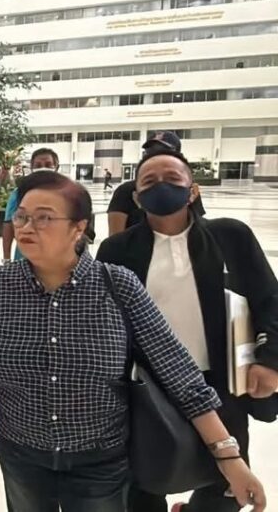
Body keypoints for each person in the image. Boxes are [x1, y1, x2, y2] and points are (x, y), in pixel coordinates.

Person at [0, 171, 267, 512]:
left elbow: (179, 372)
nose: (26, 227)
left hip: (101, 462)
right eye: (22, 216)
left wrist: (229, 456)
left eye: (44, 218)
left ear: (78, 227)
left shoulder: (117, 286)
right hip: (21, 457)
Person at [97, 150, 278, 512]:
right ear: (137, 198)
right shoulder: (117, 250)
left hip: (220, 381)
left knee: (226, 484)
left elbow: (269, 299)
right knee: (143, 481)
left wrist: (270, 359)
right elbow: (102, 321)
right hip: (147, 388)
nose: (161, 186)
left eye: (173, 179)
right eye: (149, 181)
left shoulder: (230, 236)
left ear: (193, 191)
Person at [108, 131, 206, 236]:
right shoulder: (126, 191)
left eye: (164, 152)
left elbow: (197, 229)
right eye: (151, 151)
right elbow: (115, 236)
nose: (156, 156)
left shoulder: (185, 189)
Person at [2, 148, 60, 262]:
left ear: (56, 167)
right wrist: (6, 259)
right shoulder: (19, 194)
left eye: (48, 165)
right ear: (32, 168)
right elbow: (8, 225)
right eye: (38, 165)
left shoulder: (67, 195)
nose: (43, 168)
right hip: (25, 258)